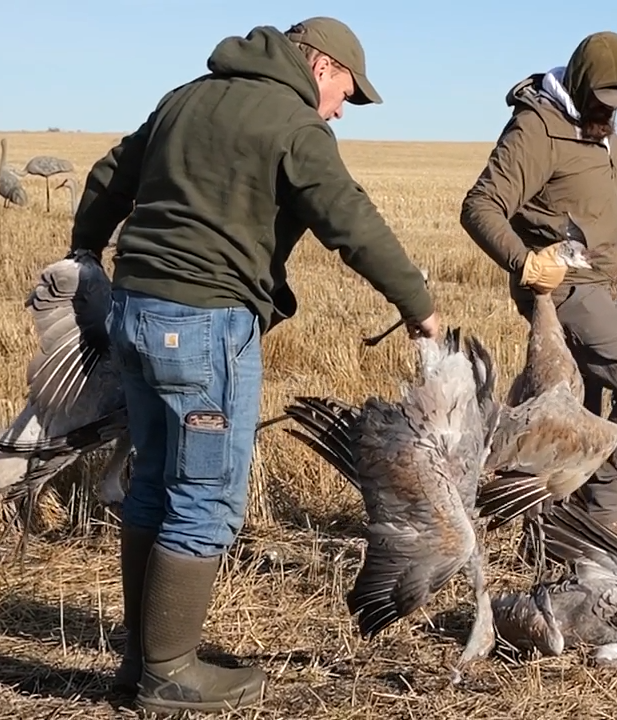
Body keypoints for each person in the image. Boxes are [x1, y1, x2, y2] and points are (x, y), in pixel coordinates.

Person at [68, 17, 438, 715]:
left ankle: (140, 658)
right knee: (204, 498)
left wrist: (86, 250)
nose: (338, 113)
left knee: (154, 479)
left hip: (136, 311)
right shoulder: (294, 124)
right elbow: (349, 220)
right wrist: (418, 304)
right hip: (204, 325)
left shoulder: (187, 96)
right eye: (344, 96)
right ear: (320, 66)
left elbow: (110, 175)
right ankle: (169, 672)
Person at [459, 31, 617, 540]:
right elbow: (480, 206)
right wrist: (526, 262)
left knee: (582, 408)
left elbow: (588, 195)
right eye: (603, 100)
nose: (611, 112)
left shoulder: (600, 130)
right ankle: (599, 522)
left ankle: (561, 525)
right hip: (564, 291)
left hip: (598, 283)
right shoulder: (536, 129)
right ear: (579, 85)